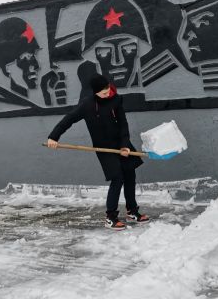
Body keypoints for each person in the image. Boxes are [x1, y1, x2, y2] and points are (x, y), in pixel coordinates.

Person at [46, 74, 149, 230]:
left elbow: (123, 124)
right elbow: (69, 119)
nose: (107, 93)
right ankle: (111, 217)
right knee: (117, 177)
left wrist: (124, 145)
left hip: (121, 144)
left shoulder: (116, 100)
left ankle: (132, 211)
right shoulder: (87, 105)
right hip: (103, 148)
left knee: (129, 175)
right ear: (95, 92)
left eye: (108, 89)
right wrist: (54, 137)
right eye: (103, 92)